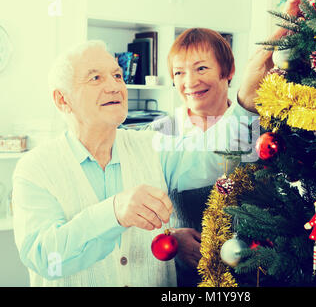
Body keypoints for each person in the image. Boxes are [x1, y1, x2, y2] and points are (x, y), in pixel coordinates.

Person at [11, 38, 271, 287]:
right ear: (62, 99)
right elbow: (44, 256)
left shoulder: (151, 144)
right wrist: (114, 212)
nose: (114, 86)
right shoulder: (35, 167)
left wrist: (246, 99)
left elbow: (214, 155)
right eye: (95, 78)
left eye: (117, 75)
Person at [142, 28, 274, 286]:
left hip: (258, 272)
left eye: (201, 68)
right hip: (188, 278)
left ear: (229, 71)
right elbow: (136, 208)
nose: (189, 81)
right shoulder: (159, 134)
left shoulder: (260, 128)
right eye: (179, 72)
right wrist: (171, 236)